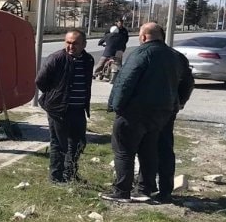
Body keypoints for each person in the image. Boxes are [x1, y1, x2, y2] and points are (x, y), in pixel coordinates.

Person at [103, 22, 180, 202]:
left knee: (123, 150)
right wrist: (176, 103)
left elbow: (125, 80)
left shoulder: (141, 53)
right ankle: (145, 190)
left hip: (135, 111)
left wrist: (116, 105)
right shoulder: (174, 56)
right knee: (148, 150)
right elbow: (186, 81)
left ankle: (122, 191)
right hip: (161, 113)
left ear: (144, 37)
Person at [35, 28, 94, 183]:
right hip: (58, 110)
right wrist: (55, 95)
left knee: (78, 143)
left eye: (75, 43)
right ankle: (56, 177)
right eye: (68, 42)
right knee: (59, 144)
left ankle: (70, 174)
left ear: (84, 44)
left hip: (78, 109)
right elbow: (40, 81)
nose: (71, 46)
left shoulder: (88, 60)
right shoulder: (57, 58)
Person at [143, 45, 195, 203]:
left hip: (149, 110)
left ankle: (149, 187)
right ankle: (162, 189)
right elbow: (189, 82)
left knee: (148, 148)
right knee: (162, 148)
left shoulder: (147, 54)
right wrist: (179, 102)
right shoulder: (176, 56)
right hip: (167, 109)